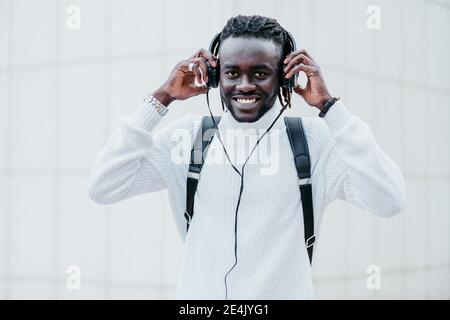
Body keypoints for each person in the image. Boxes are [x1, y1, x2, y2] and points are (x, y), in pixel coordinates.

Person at [87, 15, 406, 299]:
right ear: (215, 77)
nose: (244, 85)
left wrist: (330, 108)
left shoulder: (312, 141)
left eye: (259, 73)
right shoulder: (189, 139)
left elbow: (389, 199)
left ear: (285, 77)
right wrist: (162, 97)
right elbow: (103, 187)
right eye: (231, 73)